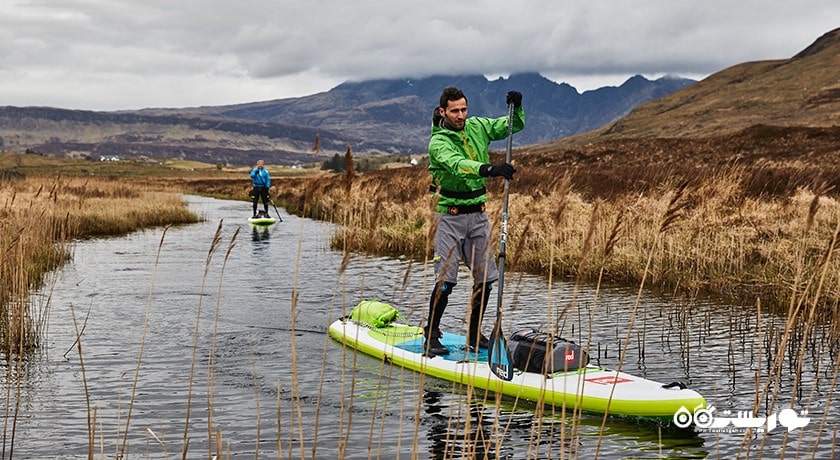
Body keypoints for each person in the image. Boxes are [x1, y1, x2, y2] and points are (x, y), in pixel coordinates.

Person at [423, 87, 524, 356]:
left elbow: (512, 126)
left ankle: (473, 333)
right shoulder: (438, 143)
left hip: (478, 215)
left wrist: (517, 106)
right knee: (446, 281)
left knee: (486, 280)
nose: (461, 115)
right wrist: (489, 169)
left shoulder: (477, 126)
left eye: (464, 109)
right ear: (443, 111)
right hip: (450, 217)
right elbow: (457, 163)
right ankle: (431, 336)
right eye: (455, 110)